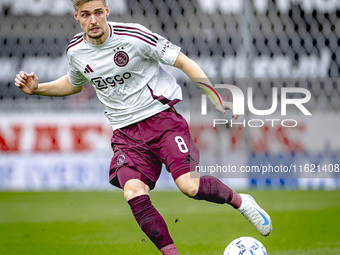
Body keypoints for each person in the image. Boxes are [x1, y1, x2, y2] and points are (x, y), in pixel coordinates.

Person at [14, 0, 272, 254]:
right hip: (126, 134)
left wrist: (214, 95)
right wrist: (38, 89)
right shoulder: (75, 50)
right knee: (133, 192)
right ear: (76, 16)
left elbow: (183, 61)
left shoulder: (134, 35)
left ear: (107, 11)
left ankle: (241, 202)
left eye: (97, 12)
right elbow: (74, 83)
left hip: (162, 121)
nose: (92, 20)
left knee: (189, 186)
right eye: (85, 14)